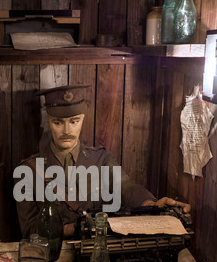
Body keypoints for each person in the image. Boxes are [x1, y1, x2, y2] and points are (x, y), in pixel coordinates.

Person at [15, 85, 191, 239]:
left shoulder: (101, 160)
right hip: (52, 257)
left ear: (83, 119)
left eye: (74, 121)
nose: (67, 130)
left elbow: (126, 187)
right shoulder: (29, 171)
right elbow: (29, 231)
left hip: (95, 252)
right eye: (58, 122)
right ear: (48, 120)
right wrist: (72, 229)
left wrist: (150, 205)